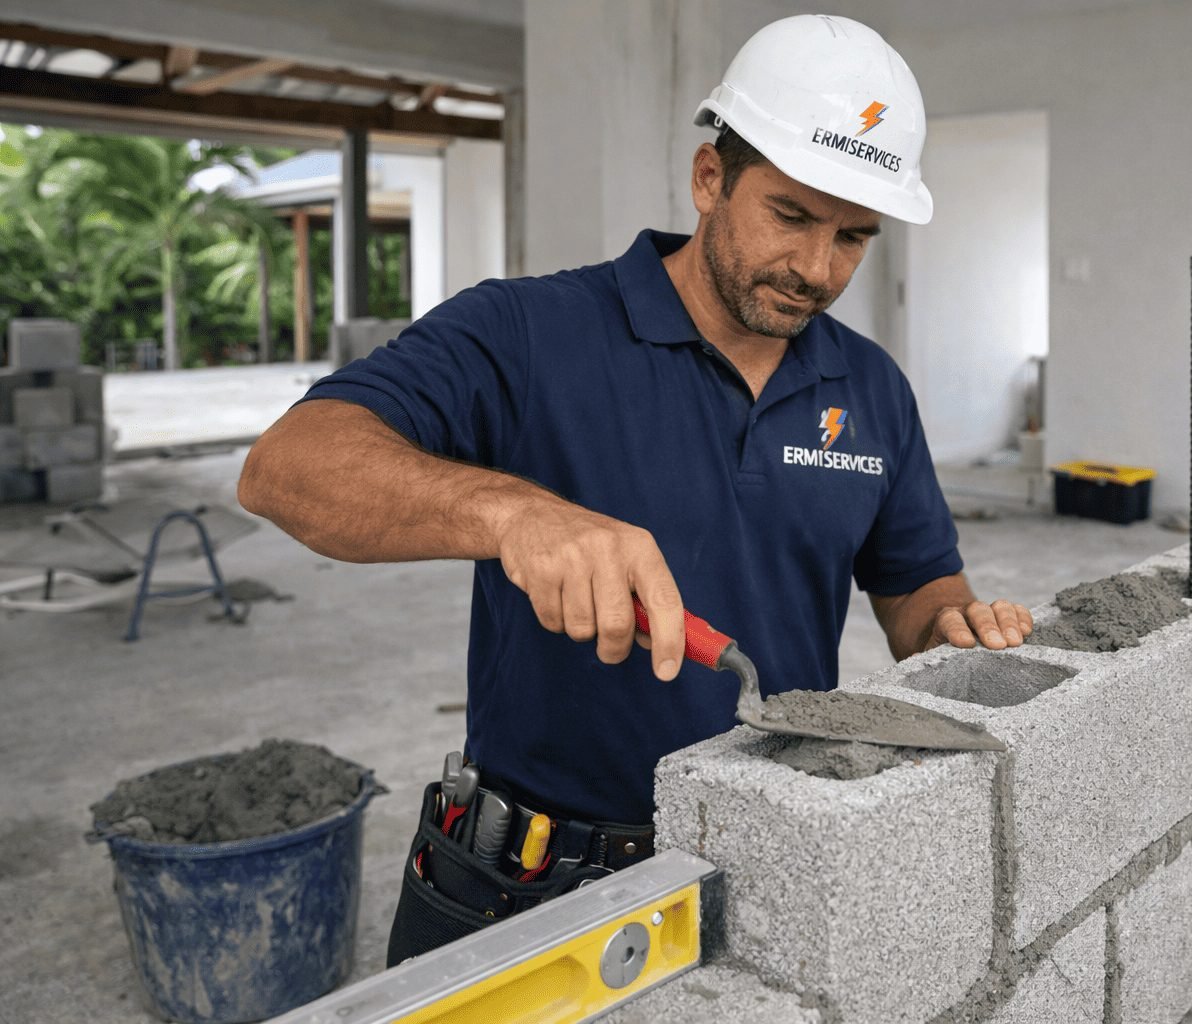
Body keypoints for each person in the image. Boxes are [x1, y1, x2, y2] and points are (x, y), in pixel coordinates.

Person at [237, 13, 1032, 962]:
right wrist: (513, 512)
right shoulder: (532, 333)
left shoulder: (870, 388)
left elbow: (914, 589)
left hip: (766, 862)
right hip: (523, 887)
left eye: (853, 236)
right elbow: (287, 466)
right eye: (790, 217)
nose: (817, 270)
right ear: (710, 179)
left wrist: (957, 631)